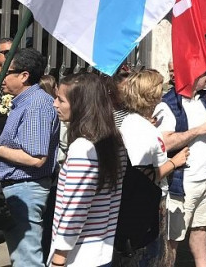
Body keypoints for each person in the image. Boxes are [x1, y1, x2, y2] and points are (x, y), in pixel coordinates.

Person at [49, 72, 126, 267]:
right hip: (101, 250)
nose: (55, 104)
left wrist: (59, 258)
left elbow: (75, 209)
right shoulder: (115, 142)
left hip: (77, 257)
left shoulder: (83, 148)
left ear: (80, 105)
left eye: (60, 99)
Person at [115, 69, 190, 267]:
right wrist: (175, 162)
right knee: (148, 257)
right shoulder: (140, 128)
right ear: (152, 95)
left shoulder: (136, 122)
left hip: (149, 200)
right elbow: (142, 175)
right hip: (147, 204)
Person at [157, 70, 206, 267]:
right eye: (205, 73)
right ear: (192, 76)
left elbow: (205, 129)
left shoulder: (203, 98)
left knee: (200, 227)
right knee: (172, 238)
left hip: (205, 178)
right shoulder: (169, 104)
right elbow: (166, 142)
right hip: (183, 181)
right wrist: (199, 130)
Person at [0, 48, 60, 267]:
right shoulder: (22, 102)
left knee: (26, 259)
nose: (1, 77)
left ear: (24, 76)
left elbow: (35, 158)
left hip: (25, 188)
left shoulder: (36, 105)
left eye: (7, 71)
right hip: (14, 188)